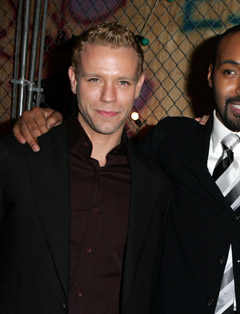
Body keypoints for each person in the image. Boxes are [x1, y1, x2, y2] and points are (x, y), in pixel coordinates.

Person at [13, 24, 240, 313]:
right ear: (211, 75)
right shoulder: (171, 142)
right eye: (230, 71)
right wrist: (48, 123)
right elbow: (108, 162)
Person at [0, 23, 172, 314]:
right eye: (95, 79)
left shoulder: (155, 187)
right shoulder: (16, 157)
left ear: (139, 86)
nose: (108, 96)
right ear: (73, 79)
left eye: (122, 82)